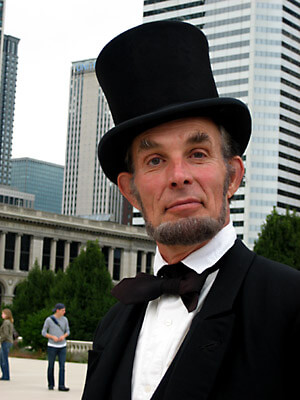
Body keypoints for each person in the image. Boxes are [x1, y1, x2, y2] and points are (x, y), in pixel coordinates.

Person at [82, 21, 300, 400]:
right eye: (154, 160)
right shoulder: (112, 324)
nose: (179, 176)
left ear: (232, 176)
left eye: (198, 154)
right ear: (130, 191)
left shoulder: (291, 304)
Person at [42, 303, 70, 391]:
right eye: (63, 310)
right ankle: (51, 384)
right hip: (52, 345)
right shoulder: (49, 320)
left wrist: (64, 336)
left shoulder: (65, 319)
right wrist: (52, 337)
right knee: (51, 365)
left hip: (62, 345)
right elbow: (43, 332)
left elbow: (68, 331)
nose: (64, 312)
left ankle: (61, 385)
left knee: (62, 366)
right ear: (57, 310)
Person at [0, 308, 14, 381]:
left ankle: (5, 375)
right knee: (3, 358)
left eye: (3, 313)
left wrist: (1, 340)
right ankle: (5, 375)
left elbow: (5, 334)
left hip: (5, 341)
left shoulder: (6, 322)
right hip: (9, 341)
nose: (2, 315)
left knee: (3, 359)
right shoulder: (10, 322)